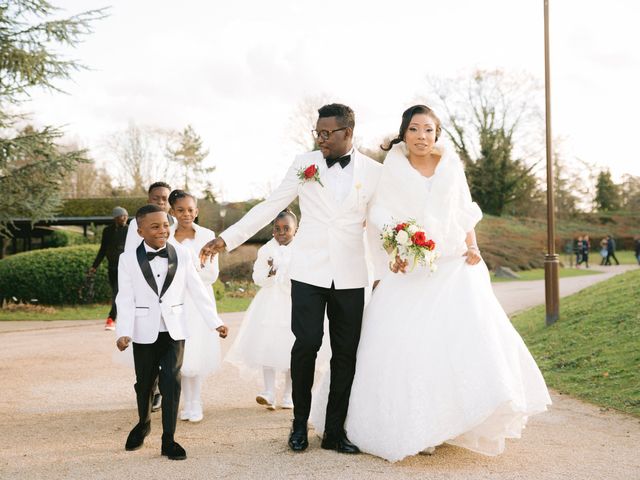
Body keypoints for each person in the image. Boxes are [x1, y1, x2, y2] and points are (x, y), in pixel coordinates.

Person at [310, 105, 551, 462]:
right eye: (414, 129)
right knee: (409, 346)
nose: (421, 136)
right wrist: (395, 246)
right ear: (403, 133)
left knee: (461, 342)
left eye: (428, 130)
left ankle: (453, 420)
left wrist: (473, 245)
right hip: (408, 268)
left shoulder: (452, 164)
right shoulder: (390, 166)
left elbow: (463, 208)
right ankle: (417, 427)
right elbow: (379, 213)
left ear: (437, 134)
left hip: (454, 262)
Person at [200, 103, 383, 453]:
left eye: (328, 133)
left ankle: (333, 432)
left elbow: (375, 225)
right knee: (306, 346)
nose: (321, 138)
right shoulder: (304, 164)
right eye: (318, 132)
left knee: (345, 354)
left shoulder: (374, 173)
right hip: (308, 272)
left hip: (351, 274)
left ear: (348, 133)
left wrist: (382, 271)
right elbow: (271, 205)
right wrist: (228, 239)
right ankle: (298, 426)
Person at [115, 204, 228, 460]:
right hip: (144, 331)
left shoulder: (182, 254)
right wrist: (123, 331)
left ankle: (169, 440)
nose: (162, 230)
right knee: (144, 384)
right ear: (140, 230)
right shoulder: (127, 259)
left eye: (165, 225)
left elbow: (197, 290)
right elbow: (125, 298)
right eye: (155, 226)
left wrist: (215, 321)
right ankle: (143, 423)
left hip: (174, 330)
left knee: (171, 383)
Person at [225, 210, 299, 411]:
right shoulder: (266, 249)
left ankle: (289, 394)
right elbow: (257, 278)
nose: (281, 232)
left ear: (296, 230)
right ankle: (268, 391)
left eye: (286, 229)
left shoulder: (301, 249)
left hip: (293, 302)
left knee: (292, 347)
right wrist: (271, 272)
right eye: (277, 229)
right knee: (267, 344)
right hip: (269, 303)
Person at [167, 190, 223, 423]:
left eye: (190, 210)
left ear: (196, 211)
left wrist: (192, 272)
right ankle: (182, 402)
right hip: (174, 300)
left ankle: (195, 402)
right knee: (179, 352)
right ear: (172, 212)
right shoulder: (166, 235)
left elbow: (212, 273)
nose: (186, 214)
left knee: (196, 350)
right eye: (180, 210)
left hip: (199, 300)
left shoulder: (208, 235)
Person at [124, 181, 174, 411]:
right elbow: (130, 255)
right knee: (148, 352)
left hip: (169, 292)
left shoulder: (171, 222)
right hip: (145, 290)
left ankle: (166, 390)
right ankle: (150, 391)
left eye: (165, 198)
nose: (161, 202)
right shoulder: (138, 222)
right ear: (149, 198)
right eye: (157, 198)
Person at [89, 206, 128, 331]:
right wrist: (94, 266)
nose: (124, 218)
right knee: (116, 293)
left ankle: (111, 319)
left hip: (125, 268)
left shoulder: (129, 230)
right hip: (112, 267)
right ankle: (121, 317)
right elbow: (103, 249)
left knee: (118, 292)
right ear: (116, 218)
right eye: (122, 216)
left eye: (126, 216)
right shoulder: (107, 231)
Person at [124, 181, 174, 253]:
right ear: (148, 201)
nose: (160, 202)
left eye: (164, 199)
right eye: (155, 198)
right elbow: (130, 250)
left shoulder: (177, 223)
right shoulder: (135, 223)